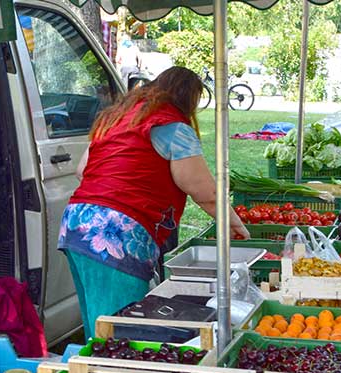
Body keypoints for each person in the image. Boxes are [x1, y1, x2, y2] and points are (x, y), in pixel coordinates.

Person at [59, 66, 249, 338]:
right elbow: (205, 192)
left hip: (76, 224)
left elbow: (81, 171)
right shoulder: (173, 127)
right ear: (188, 100)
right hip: (116, 233)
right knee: (121, 327)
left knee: (97, 324)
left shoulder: (115, 119)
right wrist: (235, 224)